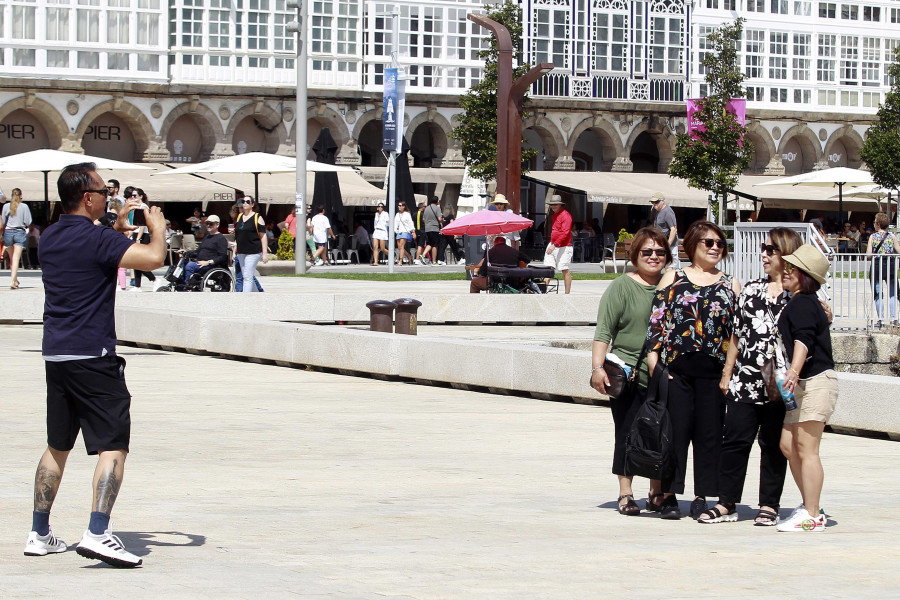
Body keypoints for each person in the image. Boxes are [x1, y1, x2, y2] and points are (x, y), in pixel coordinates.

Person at [25, 162, 166, 567]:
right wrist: (156, 224)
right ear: (88, 198)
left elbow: (94, 253)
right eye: (105, 192)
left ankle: (39, 533)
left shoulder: (51, 237)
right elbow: (154, 259)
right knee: (113, 445)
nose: (111, 197)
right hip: (94, 357)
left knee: (58, 444)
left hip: (57, 353)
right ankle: (99, 532)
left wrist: (116, 227)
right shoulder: (97, 239)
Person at [702, 228, 803, 525]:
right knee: (734, 440)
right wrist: (727, 372)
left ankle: (769, 504)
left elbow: (814, 326)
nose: (764, 254)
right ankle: (726, 502)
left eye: (770, 249)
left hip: (781, 385)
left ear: (785, 253)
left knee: (773, 444)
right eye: (764, 248)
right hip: (746, 380)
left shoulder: (798, 295)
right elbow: (736, 334)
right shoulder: (750, 289)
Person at [646, 221, 740, 520]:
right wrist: (655, 363)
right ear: (692, 246)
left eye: (719, 244)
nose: (715, 248)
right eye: (708, 243)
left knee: (709, 435)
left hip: (713, 373)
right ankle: (669, 494)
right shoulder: (673, 277)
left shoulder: (731, 283)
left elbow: (737, 333)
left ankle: (702, 495)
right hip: (678, 371)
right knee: (675, 433)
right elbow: (656, 322)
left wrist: (728, 372)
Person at [590, 227, 671, 515]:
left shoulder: (673, 286)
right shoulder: (621, 286)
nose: (653, 256)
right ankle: (626, 493)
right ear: (635, 255)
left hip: (664, 375)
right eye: (646, 251)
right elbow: (604, 331)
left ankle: (657, 492)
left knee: (661, 434)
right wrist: (598, 368)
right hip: (629, 373)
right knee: (627, 432)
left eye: (660, 252)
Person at [776, 244, 837, 533]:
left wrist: (793, 370)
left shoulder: (802, 303)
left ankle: (812, 514)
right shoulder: (805, 302)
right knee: (789, 445)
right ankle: (811, 505)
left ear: (805, 276)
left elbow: (803, 340)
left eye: (792, 268)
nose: (785, 271)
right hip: (802, 383)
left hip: (814, 381)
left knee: (807, 448)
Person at [866, 212, 897, 328]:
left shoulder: (873, 237)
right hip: (890, 264)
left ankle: (881, 319)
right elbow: (898, 250)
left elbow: (868, 255)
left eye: (874, 222)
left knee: (878, 293)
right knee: (893, 293)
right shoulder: (892, 236)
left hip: (877, 265)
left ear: (878, 224)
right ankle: (894, 318)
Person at [182, 214, 229, 284]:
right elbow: (198, 251)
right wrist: (187, 252)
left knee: (190, 266)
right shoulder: (207, 237)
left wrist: (208, 262)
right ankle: (179, 286)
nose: (208, 226)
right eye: (207, 223)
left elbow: (222, 256)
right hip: (199, 262)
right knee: (182, 264)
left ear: (217, 225)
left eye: (211, 224)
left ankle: (187, 285)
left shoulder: (221, 238)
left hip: (210, 265)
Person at [234, 196, 268, 292]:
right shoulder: (240, 216)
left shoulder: (257, 217)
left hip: (253, 251)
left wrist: (264, 253)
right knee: (246, 276)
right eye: (243, 201)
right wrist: (234, 251)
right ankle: (257, 295)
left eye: (247, 201)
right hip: (241, 251)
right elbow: (238, 235)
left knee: (247, 277)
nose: (245, 203)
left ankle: (246, 299)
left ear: (252, 204)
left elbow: (263, 236)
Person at [2, 187, 33, 289]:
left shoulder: (6, 206)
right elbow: (28, 222)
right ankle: (12, 281)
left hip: (8, 232)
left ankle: (15, 280)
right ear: (21, 195)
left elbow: (3, 220)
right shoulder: (24, 207)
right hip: (19, 231)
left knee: (11, 258)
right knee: (16, 258)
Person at [129, 188, 158, 292]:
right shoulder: (138, 207)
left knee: (138, 261)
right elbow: (135, 225)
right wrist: (130, 235)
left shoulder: (143, 206)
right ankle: (137, 286)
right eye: (132, 196)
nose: (133, 197)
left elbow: (142, 225)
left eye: (135, 195)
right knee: (135, 262)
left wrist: (138, 238)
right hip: (137, 234)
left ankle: (154, 279)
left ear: (141, 196)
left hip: (142, 235)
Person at [543, 195, 573, 294]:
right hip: (553, 244)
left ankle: (567, 294)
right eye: (551, 204)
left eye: (555, 204)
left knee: (564, 269)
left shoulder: (566, 215)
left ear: (560, 205)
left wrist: (555, 244)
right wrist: (553, 244)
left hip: (564, 246)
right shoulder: (554, 215)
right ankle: (542, 291)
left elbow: (565, 232)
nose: (553, 206)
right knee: (548, 268)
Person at [649, 192, 679, 268]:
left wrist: (668, 245)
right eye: (653, 202)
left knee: (670, 267)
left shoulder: (668, 211)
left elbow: (673, 229)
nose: (654, 204)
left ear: (662, 201)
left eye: (656, 202)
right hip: (662, 244)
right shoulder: (657, 211)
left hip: (670, 246)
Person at [422, 196, 445, 265]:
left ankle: (423, 255)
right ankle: (434, 261)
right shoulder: (437, 208)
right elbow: (439, 218)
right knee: (435, 245)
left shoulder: (427, 208)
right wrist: (443, 221)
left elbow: (423, 219)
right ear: (437, 201)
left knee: (430, 243)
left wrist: (428, 223)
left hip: (427, 228)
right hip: (434, 228)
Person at [394, 201, 415, 266]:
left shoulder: (407, 214)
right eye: (398, 205)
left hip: (405, 231)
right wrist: (395, 230)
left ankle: (400, 261)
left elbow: (410, 223)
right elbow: (395, 223)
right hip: (399, 232)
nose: (399, 207)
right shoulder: (397, 214)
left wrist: (413, 231)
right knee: (399, 247)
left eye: (400, 205)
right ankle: (409, 257)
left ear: (404, 206)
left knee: (402, 246)